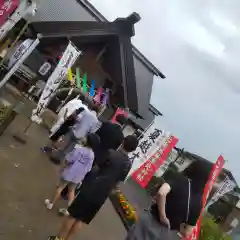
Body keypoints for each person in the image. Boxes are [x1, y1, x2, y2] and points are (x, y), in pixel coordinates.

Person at [48, 135, 139, 240]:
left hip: (91, 188)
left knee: (73, 216)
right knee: (81, 220)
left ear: (123, 142)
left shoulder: (111, 153)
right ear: (133, 149)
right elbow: (117, 184)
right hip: (101, 196)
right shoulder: (128, 164)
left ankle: (58, 239)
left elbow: (95, 168)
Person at [125, 160, 213, 240]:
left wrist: (163, 216)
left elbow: (162, 193)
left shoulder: (179, 179)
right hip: (167, 234)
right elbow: (187, 232)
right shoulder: (199, 202)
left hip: (150, 222)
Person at [44, 133, 100, 212]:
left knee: (60, 187)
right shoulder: (92, 155)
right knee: (71, 191)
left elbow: (69, 159)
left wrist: (63, 167)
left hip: (70, 172)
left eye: (86, 137)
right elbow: (88, 168)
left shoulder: (79, 149)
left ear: (88, 141)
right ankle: (69, 210)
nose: (84, 138)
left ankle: (51, 203)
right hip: (79, 175)